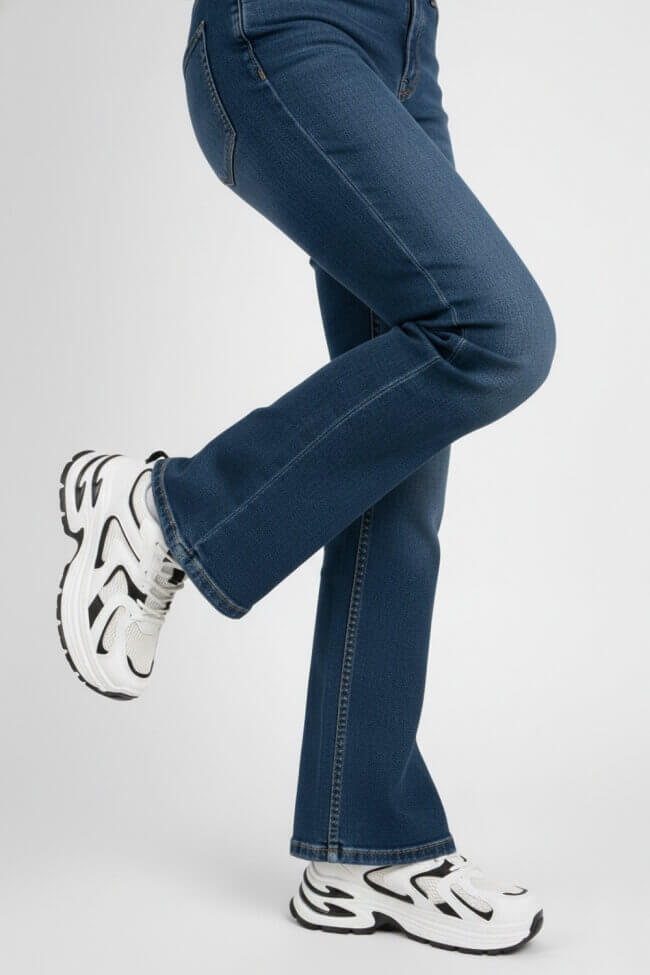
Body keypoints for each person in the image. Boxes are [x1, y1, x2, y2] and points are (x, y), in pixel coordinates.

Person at [56, 0, 554, 954]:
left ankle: (361, 846)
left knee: (401, 443)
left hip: (406, 50)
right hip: (283, 30)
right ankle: (169, 508)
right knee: (498, 332)